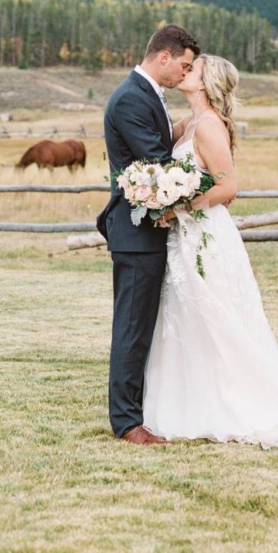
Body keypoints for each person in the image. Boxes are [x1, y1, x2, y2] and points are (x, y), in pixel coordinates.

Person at [143, 54, 278, 448]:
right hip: (186, 235)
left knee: (214, 313)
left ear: (208, 82)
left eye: (194, 67)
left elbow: (227, 188)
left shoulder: (208, 125)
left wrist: (178, 208)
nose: (186, 68)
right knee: (187, 314)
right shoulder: (189, 123)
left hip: (205, 235)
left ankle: (234, 402)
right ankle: (190, 402)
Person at [97, 25, 199, 445]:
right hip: (136, 234)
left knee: (142, 327)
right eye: (184, 65)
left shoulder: (147, 95)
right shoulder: (129, 100)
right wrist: (201, 184)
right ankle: (126, 423)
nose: (184, 74)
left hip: (148, 232)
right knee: (132, 328)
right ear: (164, 57)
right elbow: (157, 163)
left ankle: (141, 410)